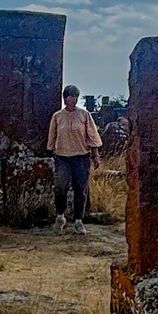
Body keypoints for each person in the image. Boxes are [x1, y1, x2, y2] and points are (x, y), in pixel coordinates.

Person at [48, 84, 102, 235]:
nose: (74, 99)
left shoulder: (84, 115)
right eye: (71, 96)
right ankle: (60, 217)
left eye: (76, 96)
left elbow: (92, 135)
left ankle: (78, 221)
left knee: (81, 189)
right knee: (60, 187)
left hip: (81, 156)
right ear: (65, 98)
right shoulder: (57, 116)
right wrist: (52, 150)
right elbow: (52, 136)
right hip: (62, 156)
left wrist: (96, 155)